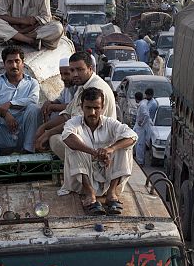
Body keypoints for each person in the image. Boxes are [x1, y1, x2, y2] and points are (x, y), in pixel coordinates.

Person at [59, 87, 137, 216]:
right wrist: (94, 153)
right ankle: (90, 194)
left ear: (102, 107)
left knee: (124, 146)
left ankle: (112, 193)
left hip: (107, 178)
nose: (92, 112)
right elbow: (67, 138)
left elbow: (132, 135)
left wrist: (109, 149)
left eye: (96, 108)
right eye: (88, 108)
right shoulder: (74, 123)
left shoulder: (110, 123)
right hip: (81, 182)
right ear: (81, 107)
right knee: (75, 146)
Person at [34, 52, 116, 158]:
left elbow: (76, 122)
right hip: (87, 135)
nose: (75, 74)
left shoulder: (95, 87)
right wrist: (44, 127)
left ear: (90, 69)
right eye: (72, 70)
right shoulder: (82, 86)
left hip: (98, 142)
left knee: (57, 139)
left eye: (80, 70)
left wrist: (48, 133)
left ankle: (85, 165)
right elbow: (67, 114)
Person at [0, 46, 41, 157]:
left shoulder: (32, 83)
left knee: (34, 108)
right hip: (1, 130)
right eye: (10, 62)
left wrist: (9, 104)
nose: (14, 65)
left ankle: (29, 151)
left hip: (23, 129)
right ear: (4, 64)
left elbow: (32, 100)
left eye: (17, 61)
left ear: (23, 63)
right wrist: (5, 113)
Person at [133, 92, 151, 165]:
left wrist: (142, 124)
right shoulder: (142, 104)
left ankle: (140, 161)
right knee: (136, 142)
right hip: (138, 126)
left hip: (141, 128)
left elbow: (146, 116)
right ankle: (138, 158)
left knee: (140, 144)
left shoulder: (142, 105)